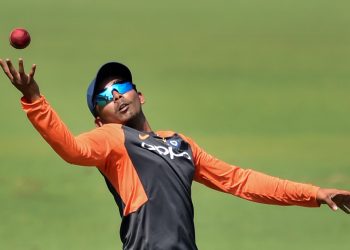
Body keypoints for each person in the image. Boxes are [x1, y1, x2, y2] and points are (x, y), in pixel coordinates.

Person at [0, 58, 349, 250]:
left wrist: (314, 194)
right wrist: (34, 100)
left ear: (140, 94)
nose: (117, 97)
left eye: (120, 88)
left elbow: (239, 180)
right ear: (98, 118)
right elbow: (71, 149)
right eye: (105, 98)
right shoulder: (111, 139)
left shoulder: (180, 145)